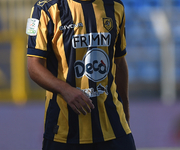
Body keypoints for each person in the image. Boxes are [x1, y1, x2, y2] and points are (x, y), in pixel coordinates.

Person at [26, 0, 136, 150]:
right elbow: (34, 66)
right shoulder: (45, 9)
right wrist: (65, 89)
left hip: (114, 128)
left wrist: (125, 113)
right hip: (63, 131)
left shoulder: (115, 6)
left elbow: (119, 61)